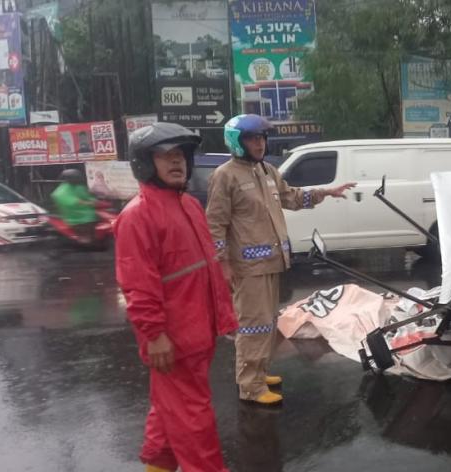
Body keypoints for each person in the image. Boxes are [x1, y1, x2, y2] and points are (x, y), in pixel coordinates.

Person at [206, 114, 355, 406]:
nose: (259, 144)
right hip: (247, 267)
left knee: (268, 323)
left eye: (262, 138)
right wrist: (222, 262)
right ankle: (250, 386)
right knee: (253, 324)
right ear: (237, 141)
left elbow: (292, 197)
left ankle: (258, 373)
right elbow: (215, 222)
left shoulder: (267, 171)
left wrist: (325, 192)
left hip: (272, 261)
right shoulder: (225, 175)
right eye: (252, 138)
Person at [114, 122, 238, 472]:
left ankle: (158, 466)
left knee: (170, 407)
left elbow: (207, 268)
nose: (176, 162)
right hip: (174, 340)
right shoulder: (137, 216)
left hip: (198, 332)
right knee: (193, 419)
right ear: (144, 163)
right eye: (165, 156)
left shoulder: (189, 206)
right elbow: (137, 285)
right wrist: (155, 336)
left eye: (180, 155)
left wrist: (224, 314)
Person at [50, 168, 98, 243]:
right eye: (76, 178)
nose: (78, 179)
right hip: (76, 217)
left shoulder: (78, 186)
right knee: (87, 224)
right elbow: (73, 201)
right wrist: (87, 203)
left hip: (87, 211)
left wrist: (94, 200)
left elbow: (87, 195)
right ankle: (84, 237)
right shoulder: (62, 191)